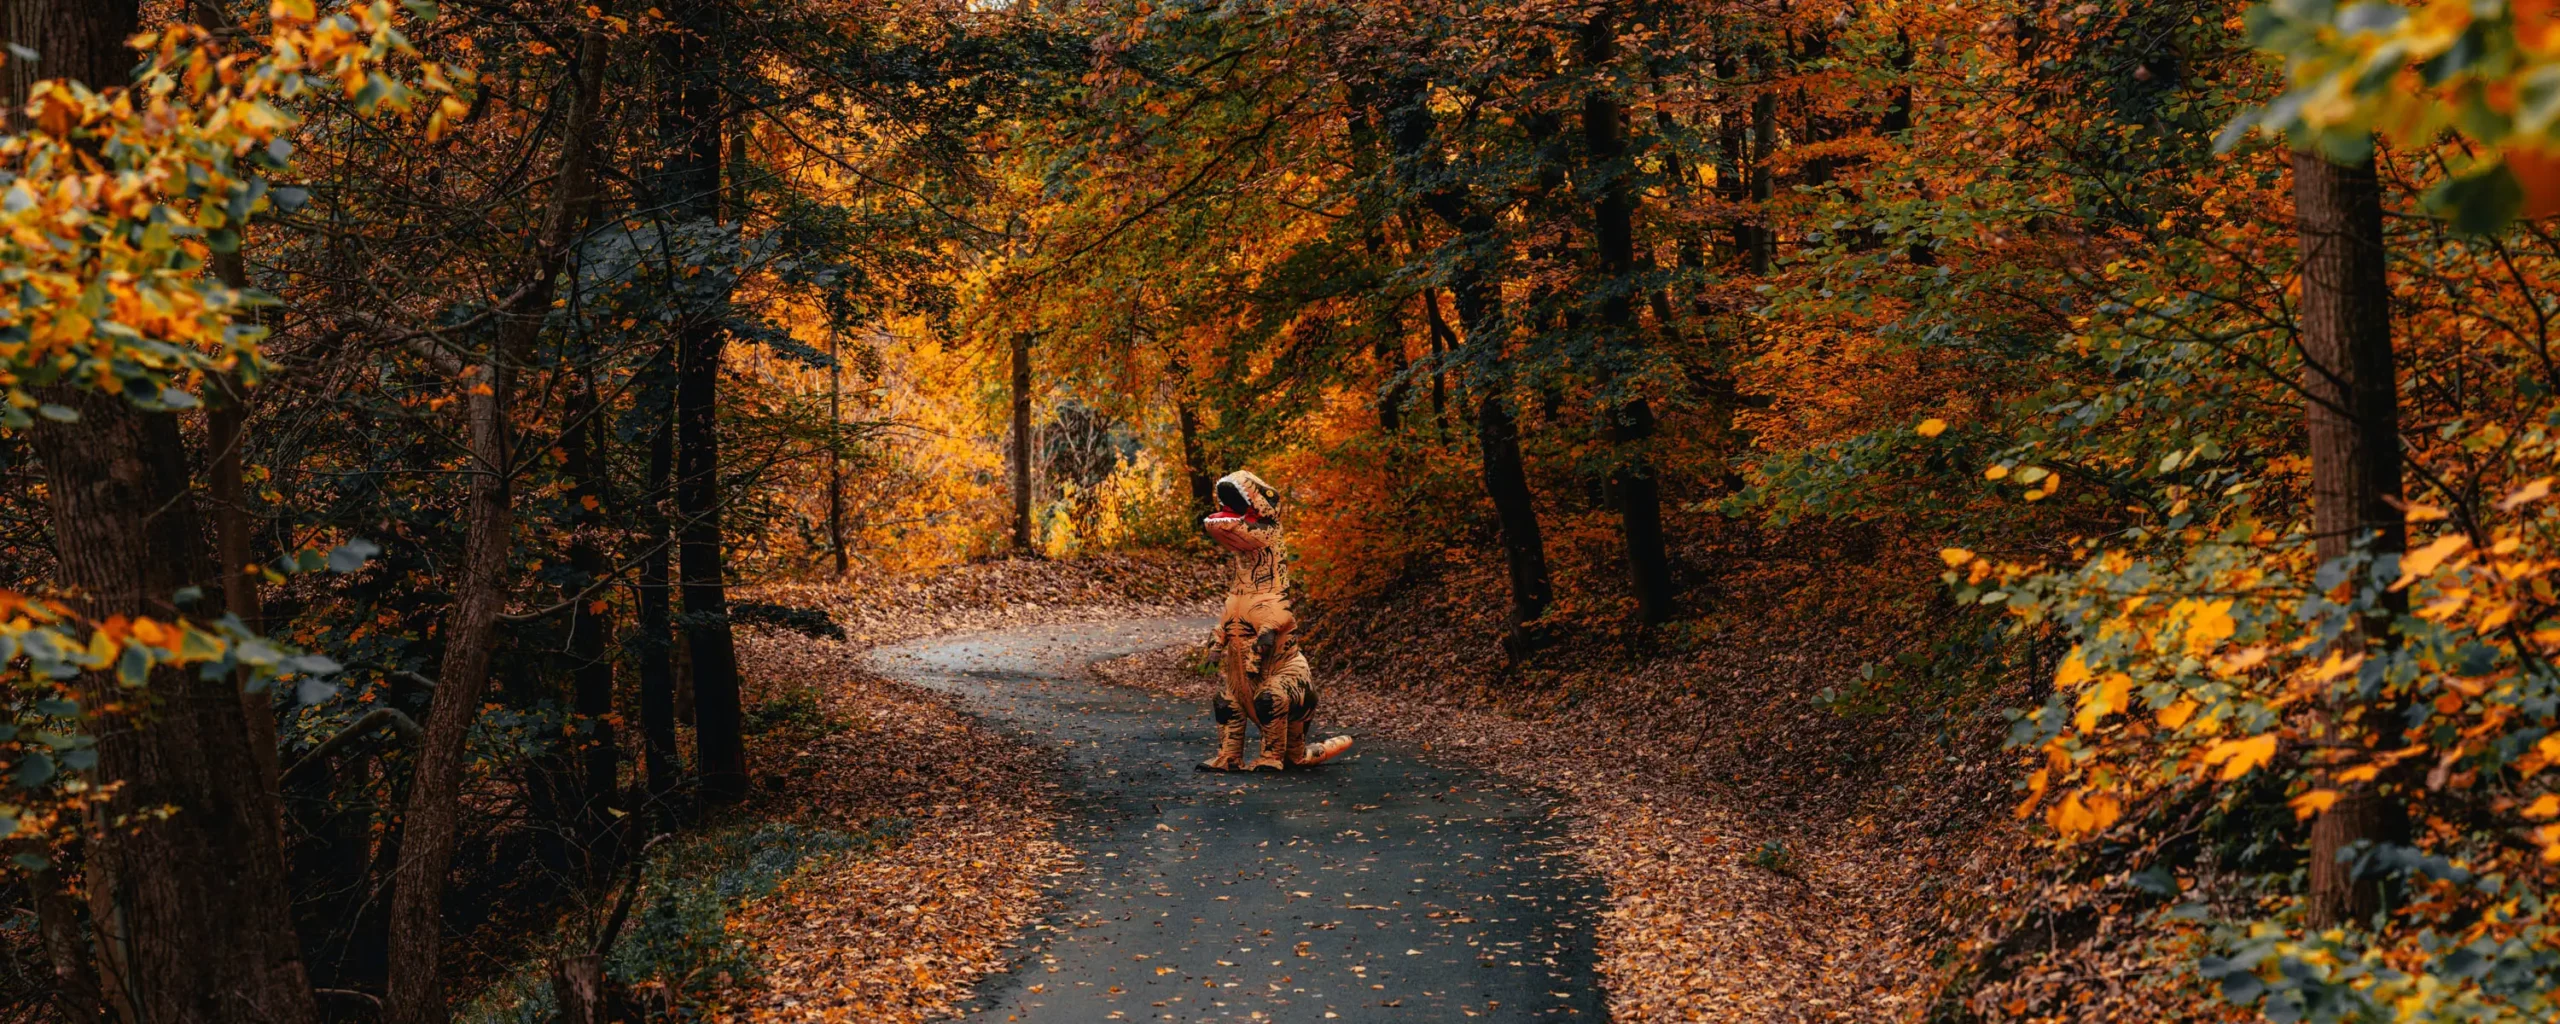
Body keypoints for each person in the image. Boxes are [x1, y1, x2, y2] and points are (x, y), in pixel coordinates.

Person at [1198, 470, 1352, 771]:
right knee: (1224, 699)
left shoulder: (1274, 592)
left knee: (1272, 697)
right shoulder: (1239, 590)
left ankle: (1274, 755)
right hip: (1244, 681)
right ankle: (1229, 755)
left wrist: (1266, 635)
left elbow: (1280, 619)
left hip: (1287, 682)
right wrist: (1216, 645)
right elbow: (1226, 625)